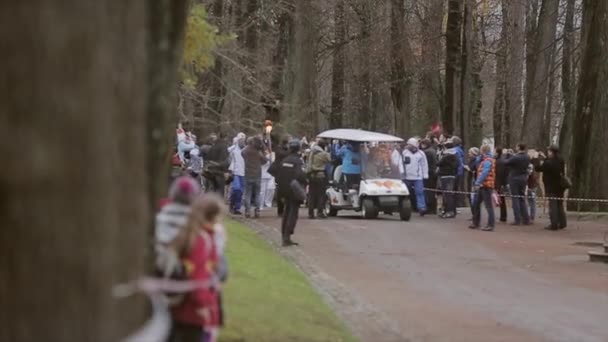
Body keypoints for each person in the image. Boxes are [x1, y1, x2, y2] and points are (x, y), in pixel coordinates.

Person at [169, 194, 224, 342]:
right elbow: (199, 275)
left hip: (181, 308)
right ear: (213, 216)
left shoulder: (189, 234)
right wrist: (202, 305)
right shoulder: (201, 240)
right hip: (194, 311)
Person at [271, 139, 307, 246]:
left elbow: (277, 174)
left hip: (283, 189)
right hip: (294, 189)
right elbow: (301, 175)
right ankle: (287, 236)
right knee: (293, 213)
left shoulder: (284, 160)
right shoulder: (298, 161)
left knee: (286, 212)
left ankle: (284, 235)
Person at [535, 145, 567, 230]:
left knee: (553, 205)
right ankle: (563, 222)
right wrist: (545, 158)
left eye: (549, 151)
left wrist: (536, 160)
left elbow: (539, 168)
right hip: (560, 185)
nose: (547, 153)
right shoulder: (561, 160)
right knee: (559, 204)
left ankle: (554, 224)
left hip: (551, 186)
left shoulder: (548, 163)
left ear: (552, 152)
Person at [470, 144, 496, 231]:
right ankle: (476, 222)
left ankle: (490, 224)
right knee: (476, 203)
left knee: (488, 206)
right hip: (482, 185)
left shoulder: (488, 160)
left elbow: (484, 172)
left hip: (486, 185)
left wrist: (478, 182)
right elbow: (477, 164)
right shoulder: (482, 160)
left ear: (483, 151)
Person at [241, 136, 267, 218]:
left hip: (248, 174)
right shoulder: (258, 151)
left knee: (248, 193)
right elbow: (265, 160)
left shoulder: (246, 151)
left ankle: (247, 211)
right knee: (257, 194)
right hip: (257, 174)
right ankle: (257, 211)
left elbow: (242, 154)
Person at [505, 143, 531, 226]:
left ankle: (517, 219)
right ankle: (526, 219)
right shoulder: (527, 157)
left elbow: (506, 162)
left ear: (519, 147)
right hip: (523, 178)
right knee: (522, 198)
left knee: (515, 199)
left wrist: (507, 155)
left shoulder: (515, 157)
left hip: (514, 179)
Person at [403, 137, 429, 215]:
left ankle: (421, 207)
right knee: (406, 193)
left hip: (418, 177)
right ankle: (405, 207)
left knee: (419, 192)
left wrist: (425, 174)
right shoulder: (404, 153)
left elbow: (424, 164)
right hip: (407, 176)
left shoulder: (421, 153)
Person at [307, 139, 332, 219]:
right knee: (321, 194)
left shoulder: (312, 153)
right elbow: (330, 159)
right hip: (320, 175)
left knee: (311, 194)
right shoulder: (324, 154)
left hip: (312, 175)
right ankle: (319, 212)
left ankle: (310, 213)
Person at [437, 141, 459, 218]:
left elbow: (438, 163)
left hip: (445, 176)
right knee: (449, 194)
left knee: (447, 195)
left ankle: (449, 211)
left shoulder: (446, 156)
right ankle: (450, 210)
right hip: (452, 176)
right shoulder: (455, 155)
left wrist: (440, 155)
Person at [205, 133, 230, 198]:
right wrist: (226, 171)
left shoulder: (213, 146)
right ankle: (217, 206)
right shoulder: (224, 146)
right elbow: (224, 161)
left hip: (211, 171)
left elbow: (207, 158)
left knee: (211, 191)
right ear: (225, 138)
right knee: (220, 192)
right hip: (220, 172)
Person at [228, 134, 246, 215]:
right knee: (236, 188)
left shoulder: (246, 149)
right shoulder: (234, 149)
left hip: (244, 173)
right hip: (235, 172)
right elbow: (228, 152)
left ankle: (237, 208)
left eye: (243, 140)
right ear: (238, 141)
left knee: (240, 191)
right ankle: (232, 204)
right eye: (240, 140)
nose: (242, 142)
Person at [273, 136, 291, 217]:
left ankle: (286, 209)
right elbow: (282, 155)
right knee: (281, 192)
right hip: (281, 174)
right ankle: (280, 210)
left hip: (287, 173)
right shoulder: (280, 150)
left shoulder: (286, 150)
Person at [420, 138, 438, 215]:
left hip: (429, 173)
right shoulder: (433, 150)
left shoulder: (426, 152)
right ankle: (433, 208)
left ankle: (429, 207)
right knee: (432, 191)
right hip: (433, 172)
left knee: (428, 191)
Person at [494, 147, 509, 222]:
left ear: (497, 153)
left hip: (499, 183)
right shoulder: (500, 161)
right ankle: (503, 216)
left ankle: (503, 216)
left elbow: (500, 174)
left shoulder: (499, 162)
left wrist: (500, 184)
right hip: (501, 182)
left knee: (501, 199)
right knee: (501, 199)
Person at [260, 146, 276, 210]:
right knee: (262, 191)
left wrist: (270, 157)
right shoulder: (260, 154)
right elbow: (263, 162)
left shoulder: (273, 154)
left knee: (271, 188)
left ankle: (268, 203)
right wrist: (266, 157)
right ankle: (260, 205)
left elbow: (273, 161)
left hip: (271, 175)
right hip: (262, 174)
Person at [452, 136, 466, 207]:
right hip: (459, 171)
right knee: (456, 188)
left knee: (454, 188)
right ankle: (457, 203)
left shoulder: (455, 151)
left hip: (456, 172)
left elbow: (458, 162)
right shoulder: (460, 150)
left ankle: (456, 204)